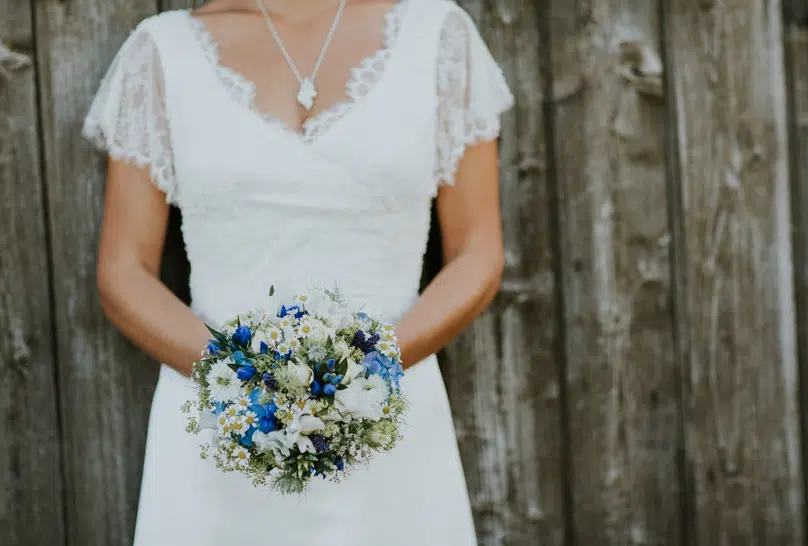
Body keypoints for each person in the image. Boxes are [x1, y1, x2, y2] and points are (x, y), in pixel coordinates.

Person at [83, 0, 513, 543]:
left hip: (387, 414)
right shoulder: (162, 51)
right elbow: (124, 272)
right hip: (222, 428)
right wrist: (246, 381)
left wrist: (364, 373)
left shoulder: (436, 35)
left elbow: (477, 251)